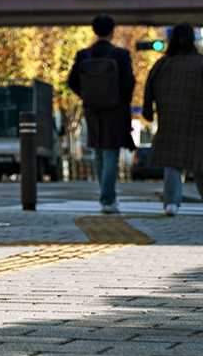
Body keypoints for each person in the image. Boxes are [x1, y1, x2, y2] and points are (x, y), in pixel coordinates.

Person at [68, 14, 136, 214]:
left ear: (94, 31)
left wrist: (87, 95)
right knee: (110, 154)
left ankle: (106, 196)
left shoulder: (84, 55)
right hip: (115, 110)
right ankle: (107, 199)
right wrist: (120, 99)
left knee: (98, 152)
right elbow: (129, 82)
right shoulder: (121, 55)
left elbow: (72, 81)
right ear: (112, 31)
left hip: (92, 109)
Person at [142, 22, 202, 217]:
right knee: (200, 160)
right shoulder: (200, 62)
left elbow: (148, 87)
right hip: (197, 119)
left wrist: (148, 113)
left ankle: (171, 203)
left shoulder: (163, 64)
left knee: (172, 161)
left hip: (170, 119)